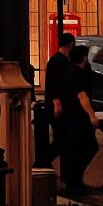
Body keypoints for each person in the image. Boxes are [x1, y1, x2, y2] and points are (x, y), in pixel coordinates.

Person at [59, 43, 99, 196]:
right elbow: (82, 96)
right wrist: (92, 116)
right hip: (78, 118)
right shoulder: (77, 74)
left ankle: (74, 180)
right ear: (83, 58)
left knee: (77, 149)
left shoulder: (68, 72)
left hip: (70, 117)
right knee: (87, 148)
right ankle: (74, 181)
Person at [43, 31, 76, 161]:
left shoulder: (57, 60)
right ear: (71, 45)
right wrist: (57, 104)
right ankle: (42, 162)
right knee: (61, 141)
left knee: (63, 140)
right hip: (57, 106)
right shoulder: (57, 62)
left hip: (60, 105)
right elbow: (53, 85)